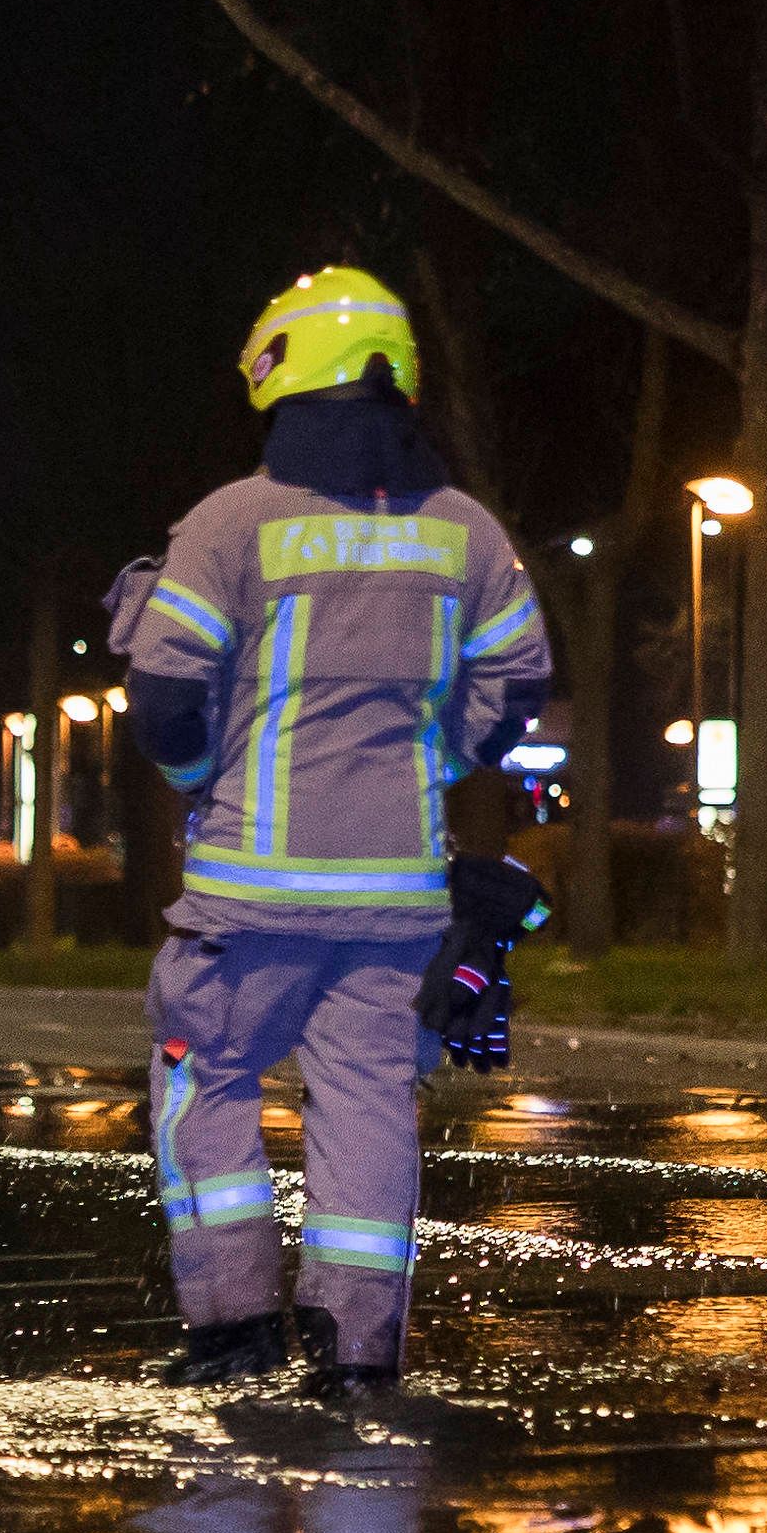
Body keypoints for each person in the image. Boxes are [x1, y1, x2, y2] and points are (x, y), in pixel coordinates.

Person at [113, 266, 550, 1404]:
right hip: (396, 904)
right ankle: (357, 1354)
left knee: (200, 1077)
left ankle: (234, 1327)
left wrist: (204, 774)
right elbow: (519, 679)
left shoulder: (232, 524)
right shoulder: (464, 531)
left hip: (247, 900)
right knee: (365, 1106)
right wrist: (434, 759)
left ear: (282, 373)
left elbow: (163, 697)